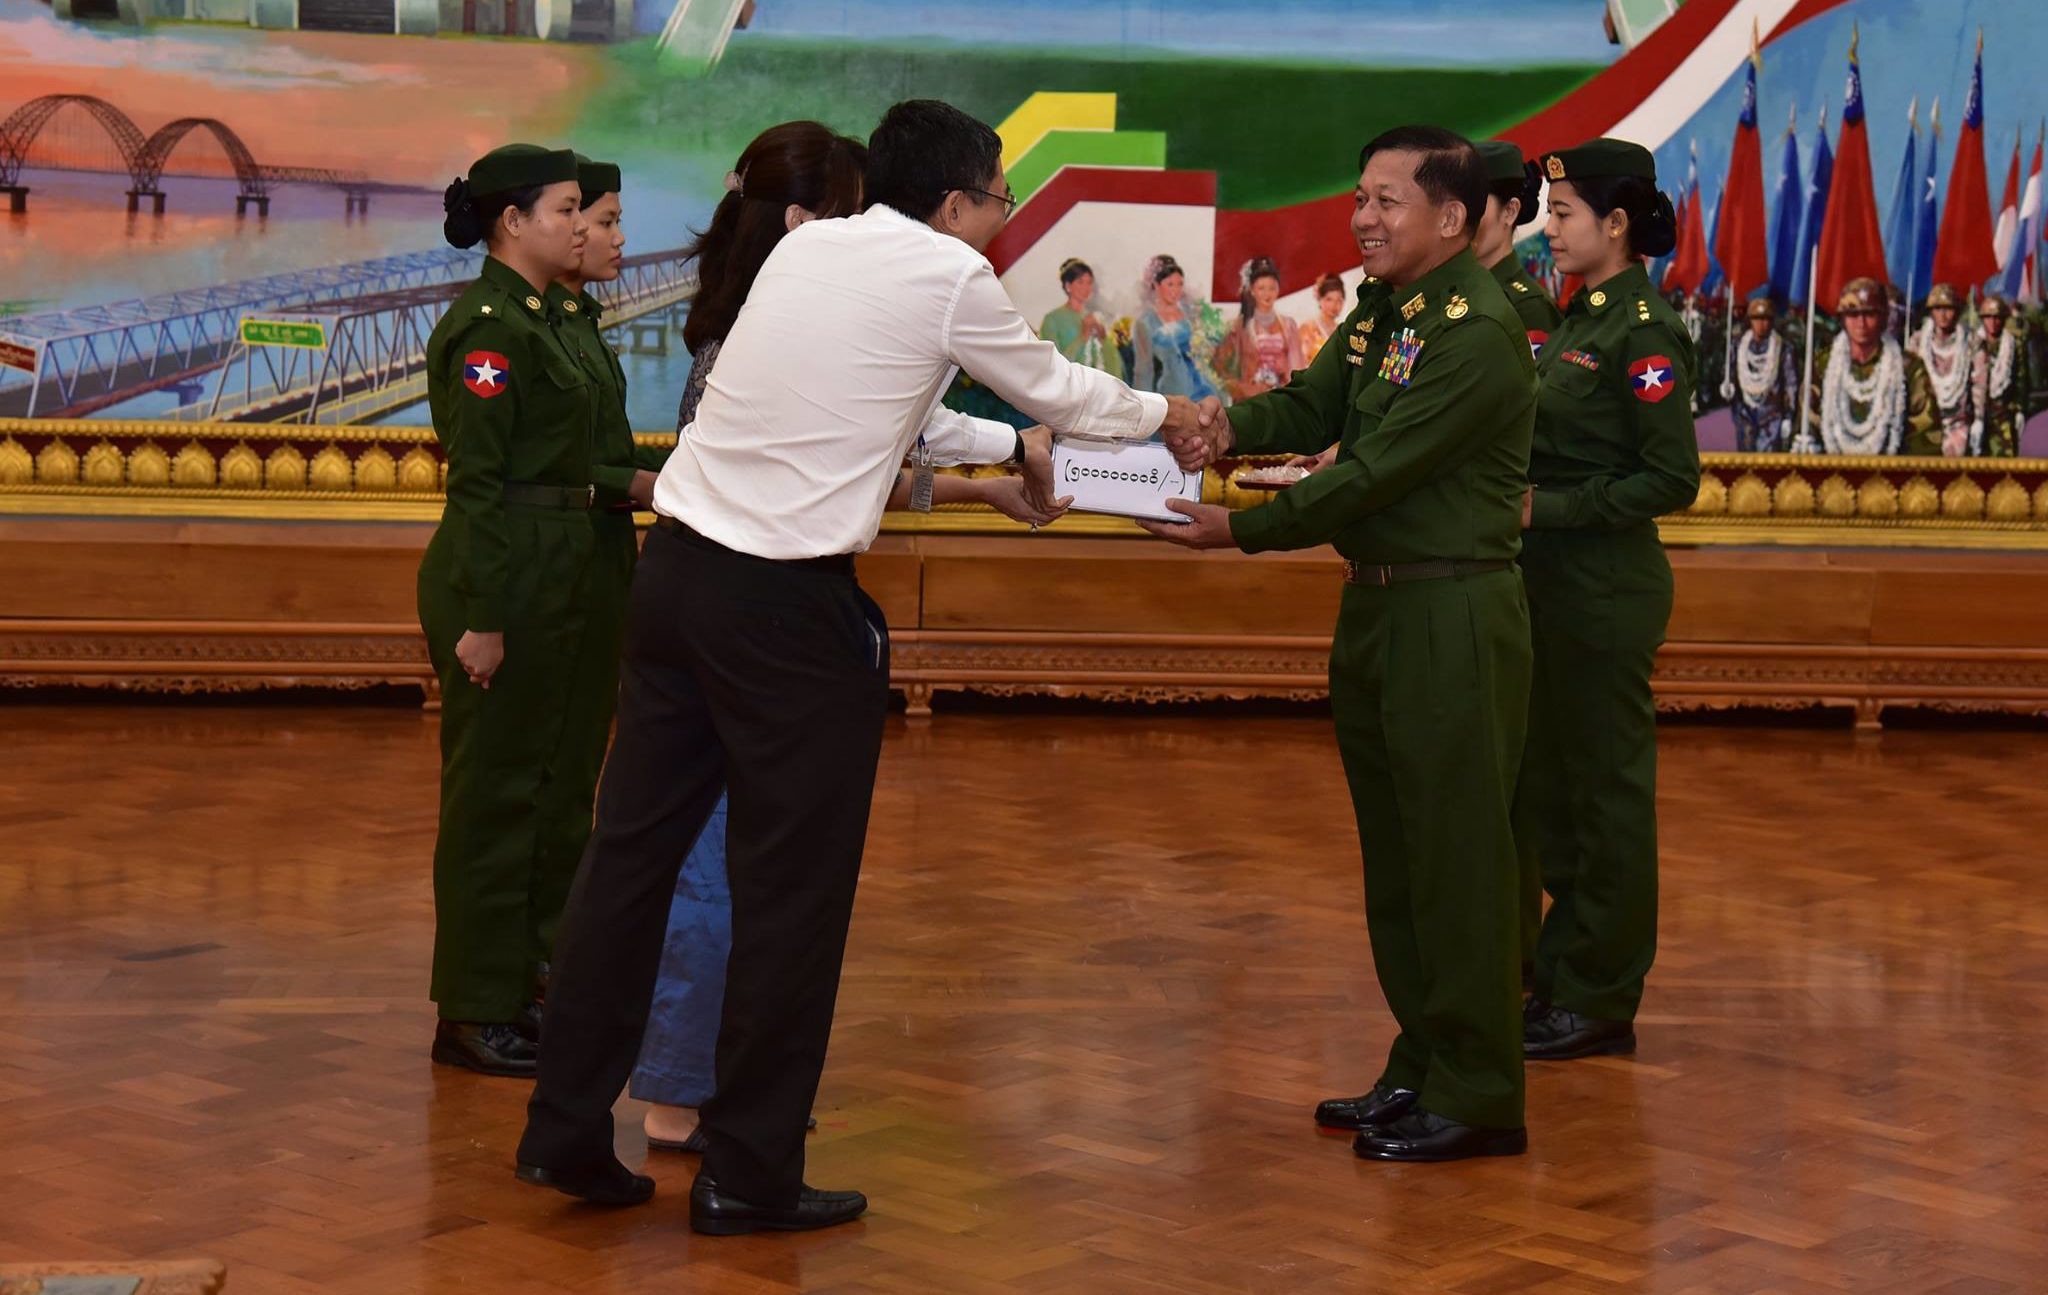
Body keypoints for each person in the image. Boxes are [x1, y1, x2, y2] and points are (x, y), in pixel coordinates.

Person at [516, 98, 1208, 1230]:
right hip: (783, 614)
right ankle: (748, 1171)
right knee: (791, 894)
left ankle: (562, 1130)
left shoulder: (807, 249)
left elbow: (896, 410)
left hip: (677, 578)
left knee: (627, 861)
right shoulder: (947, 275)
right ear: (952, 202)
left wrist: (1006, 451)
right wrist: (1169, 410)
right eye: (996, 199)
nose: (1000, 219)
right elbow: (1057, 388)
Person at [634, 120, 1065, 1158]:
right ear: (801, 220)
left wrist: (989, 477)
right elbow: (828, 458)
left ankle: (722, 1089)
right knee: (721, 862)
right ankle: (694, 1090)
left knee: (725, 857)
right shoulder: (766, 324)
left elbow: (871, 444)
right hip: (758, 615)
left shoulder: (772, 306)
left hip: (718, 604)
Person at [1143, 125, 1536, 1164]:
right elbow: (1320, 405)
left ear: (1449, 217)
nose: (1361, 216)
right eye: (1357, 197)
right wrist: (1224, 425)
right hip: (1379, 606)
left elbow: (1377, 469)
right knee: (1401, 859)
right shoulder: (1387, 310)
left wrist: (1240, 527)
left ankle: (1482, 1089)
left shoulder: (1476, 329)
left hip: (1451, 613)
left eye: (1385, 200)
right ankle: (1423, 1060)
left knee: (1457, 858)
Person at [417, 144, 652, 1076]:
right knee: (494, 798)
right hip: (506, 575)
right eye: (566, 209)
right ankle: (473, 1008)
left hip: (568, 570)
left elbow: (571, 465)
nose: (582, 224)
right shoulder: (488, 329)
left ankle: (536, 982)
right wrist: (481, 614)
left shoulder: (555, 318)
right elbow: (478, 486)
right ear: (511, 220)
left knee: (558, 791)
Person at [1515, 139, 1700, 1063]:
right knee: (1556, 792)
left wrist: (1541, 507)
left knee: (1606, 798)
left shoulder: (1641, 333)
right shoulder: (1579, 321)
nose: (1548, 231)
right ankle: (1564, 977)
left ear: (1615, 224)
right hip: (1552, 587)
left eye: (1562, 215)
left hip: (1606, 591)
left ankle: (1601, 995)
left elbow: (1671, 478)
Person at [1798, 278, 1936, 455]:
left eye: (1870, 314)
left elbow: (1926, 438)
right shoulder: (1823, 365)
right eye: (1853, 315)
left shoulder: (1908, 368)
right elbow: (1807, 424)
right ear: (1842, 319)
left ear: (1884, 317)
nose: (1861, 323)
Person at [1474, 140, 1563, 354]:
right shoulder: (1451, 290)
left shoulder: (1527, 307)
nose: (1459, 219)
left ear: (1510, 211)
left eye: (1475, 203)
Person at [1132, 253, 1218, 401]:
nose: (1176, 290)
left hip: (1202, 383)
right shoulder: (1146, 322)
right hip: (1173, 389)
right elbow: (1144, 370)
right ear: (1156, 285)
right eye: (1170, 284)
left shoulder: (1191, 314)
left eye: (1180, 284)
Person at [1213, 256, 1300, 401]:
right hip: (1250, 399)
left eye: (1272, 288)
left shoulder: (1288, 325)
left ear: (1278, 289)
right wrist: (1241, 388)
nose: (1267, 294)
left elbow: (1297, 366)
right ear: (1252, 290)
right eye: (1261, 288)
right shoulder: (1240, 326)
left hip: (1281, 399)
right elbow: (1218, 364)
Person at [1906, 283, 1976, 457]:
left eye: (1948, 309)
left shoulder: (1970, 343)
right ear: (1931, 311)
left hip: (1957, 425)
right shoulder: (1917, 342)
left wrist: (1980, 420)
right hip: (1925, 424)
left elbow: (1978, 385)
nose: (1943, 315)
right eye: (1938, 309)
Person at [1725, 297, 1799, 452]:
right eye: (1757, 318)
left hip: (1772, 414)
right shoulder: (1738, 345)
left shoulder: (1783, 348)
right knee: (1745, 458)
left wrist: (1789, 415)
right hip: (1744, 412)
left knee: (1767, 462)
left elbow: (1791, 383)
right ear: (1750, 321)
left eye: (1766, 319)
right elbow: (1730, 371)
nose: (1761, 324)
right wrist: (1727, 385)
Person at [1039, 258, 1124, 380]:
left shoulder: (1096, 318)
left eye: (1089, 282)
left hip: (1098, 389)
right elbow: (1052, 366)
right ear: (1068, 286)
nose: (1086, 287)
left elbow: (1114, 364)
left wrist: (1104, 339)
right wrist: (1082, 337)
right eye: (1080, 282)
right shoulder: (1052, 320)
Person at [1973, 296, 2031, 457]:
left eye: (1997, 317)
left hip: (2004, 410)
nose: (1993, 322)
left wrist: (2020, 409)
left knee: (2005, 458)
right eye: (1988, 317)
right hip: (1977, 410)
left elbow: (2021, 379)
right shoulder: (1973, 344)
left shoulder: (2013, 344)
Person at [1298, 272, 1347, 367]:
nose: (1334, 305)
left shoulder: (1343, 331)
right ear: (1320, 299)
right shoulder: (1308, 328)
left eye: (1339, 300)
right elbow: (1299, 364)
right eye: (1329, 299)